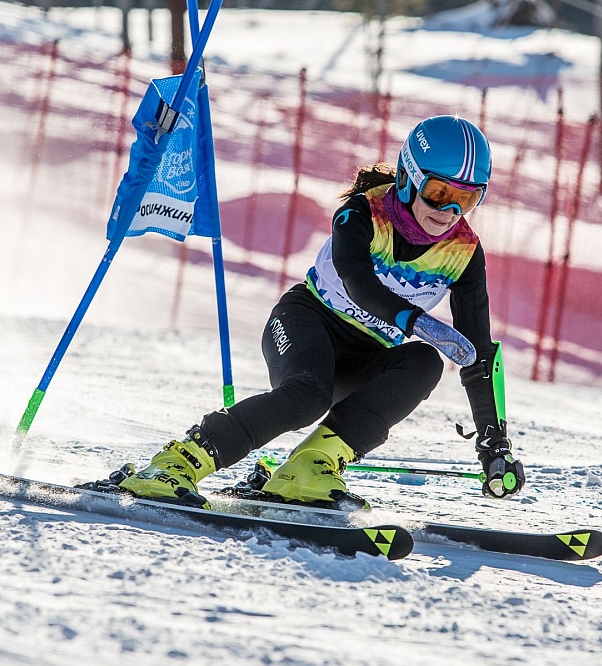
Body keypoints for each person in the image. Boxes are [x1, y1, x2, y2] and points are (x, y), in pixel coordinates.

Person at [113, 115, 525, 509]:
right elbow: (356, 280)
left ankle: (309, 467)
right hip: (306, 322)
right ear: (408, 178)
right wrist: (415, 320)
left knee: (423, 362)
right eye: (439, 193)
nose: (449, 212)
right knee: (308, 396)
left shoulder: (465, 253)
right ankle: (176, 463)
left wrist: (493, 442)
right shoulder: (362, 213)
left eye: (467, 199)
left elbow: (478, 355)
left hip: (367, 355)